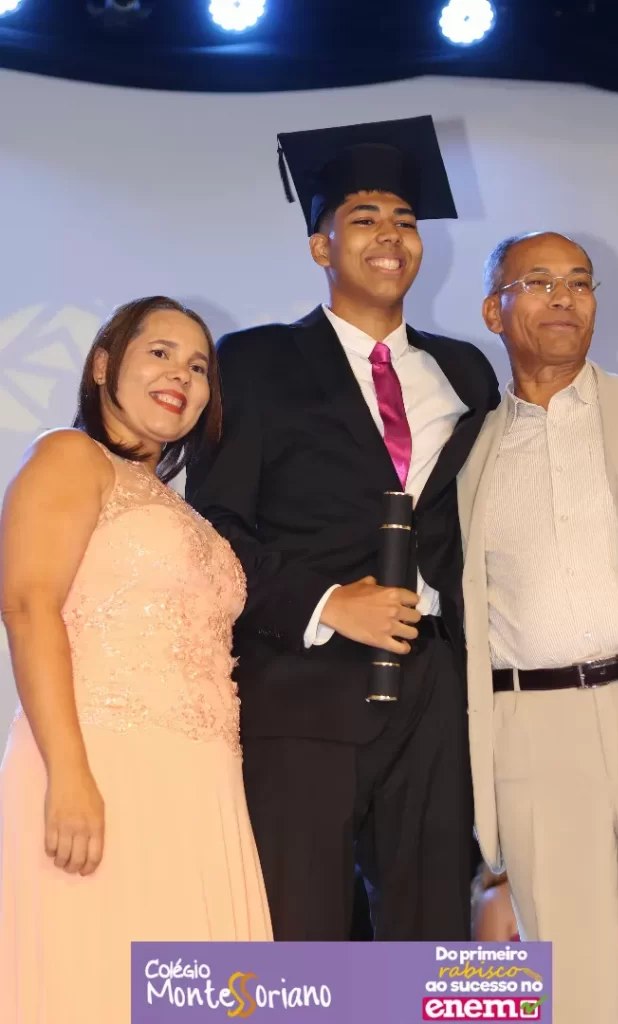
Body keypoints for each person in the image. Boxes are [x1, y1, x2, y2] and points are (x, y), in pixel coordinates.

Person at [186, 115, 499, 941]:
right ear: (321, 246)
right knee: (299, 932)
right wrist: (327, 602)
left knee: (431, 928)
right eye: (363, 218)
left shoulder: (463, 370)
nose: (390, 235)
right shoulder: (254, 360)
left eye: (404, 219)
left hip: (435, 689)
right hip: (302, 683)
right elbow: (214, 527)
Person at [0, 297, 272, 1024]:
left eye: (198, 366)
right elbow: (28, 606)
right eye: (159, 353)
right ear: (102, 366)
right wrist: (69, 777)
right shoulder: (69, 455)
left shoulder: (181, 508)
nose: (181, 374)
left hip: (201, 788)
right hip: (102, 769)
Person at [458, 231, 618, 1023]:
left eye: (579, 282)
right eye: (539, 281)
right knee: (572, 972)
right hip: (530, 723)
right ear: (493, 310)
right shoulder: (465, 450)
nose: (563, 296)